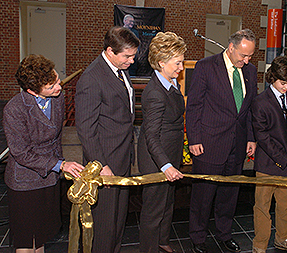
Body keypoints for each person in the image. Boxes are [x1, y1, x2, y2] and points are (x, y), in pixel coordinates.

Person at [186, 29, 258, 253]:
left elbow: (251, 108)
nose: (246, 61)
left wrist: (252, 138)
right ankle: (198, 237)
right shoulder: (206, 67)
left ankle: (224, 233)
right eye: (243, 56)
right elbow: (194, 106)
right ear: (231, 48)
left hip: (237, 143)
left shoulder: (251, 71)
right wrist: (194, 139)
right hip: (209, 143)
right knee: (203, 196)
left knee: (229, 194)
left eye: (250, 56)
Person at [3, 54, 84, 253]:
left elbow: (57, 138)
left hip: (49, 177)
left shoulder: (57, 98)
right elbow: (21, 153)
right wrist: (60, 165)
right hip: (25, 181)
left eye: (57, 79)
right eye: (51, 86)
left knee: (41, 237)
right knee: (25, 241)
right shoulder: (14, 109)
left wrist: (60, 165)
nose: (59, 87)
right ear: (32, 90)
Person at [75, 26, 140, 253]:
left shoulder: (119, 70)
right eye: (127, 56)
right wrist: (101, 164)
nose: (131, 61)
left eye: (133, 56)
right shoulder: (92, 78)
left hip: (122, 157)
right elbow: (85, 129)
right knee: (103, 225)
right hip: (105, 164)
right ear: (110, 51)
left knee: (118, 221)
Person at [251, 56, 287, 253]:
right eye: (283, 83)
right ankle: (259, 245)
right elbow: (263, 137)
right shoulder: (259, 102)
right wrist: (286, 160)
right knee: (262, 207)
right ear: (271, 78)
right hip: (267, 164)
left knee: (286, 205)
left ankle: (284, 239)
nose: (286, 87)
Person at [137, 31, 186, 253]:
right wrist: (165, 166)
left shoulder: (171, 80)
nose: (181, 68)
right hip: (156, 158)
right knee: (153, 209)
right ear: (160, 63)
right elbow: (151, 136)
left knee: (167, 203)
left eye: (182, 62)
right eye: (177, 63)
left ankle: (162, 240)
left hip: (170, 152)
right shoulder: (155, 93)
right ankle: (149, 248)